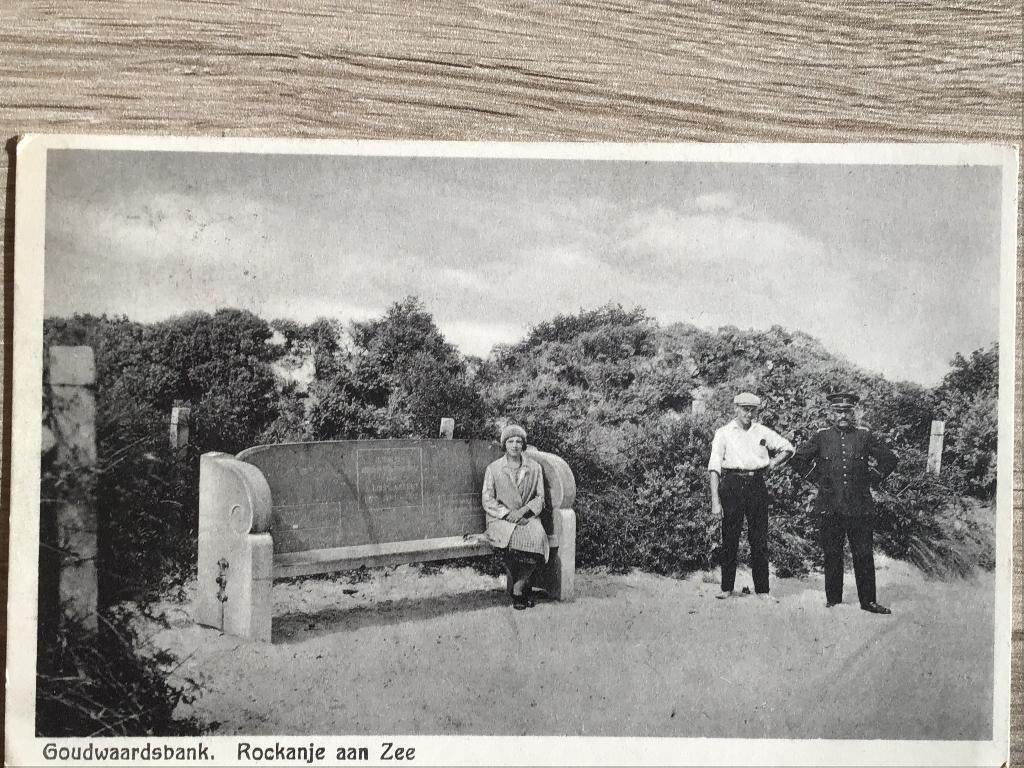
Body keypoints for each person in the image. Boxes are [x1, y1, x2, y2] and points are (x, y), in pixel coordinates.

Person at [790, 391, 898, 614]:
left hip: (860, 507)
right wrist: (817, 479)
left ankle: (868, 601)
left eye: (847, 411)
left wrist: (873, 477)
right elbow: (798, 459)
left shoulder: (864, 436)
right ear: (832, 413)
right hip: (830, 506)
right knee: (832, 553)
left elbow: (890, 458)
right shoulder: (822, 437)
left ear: (853, 412)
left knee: (863, 554)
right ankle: (834, 599)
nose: (843, 416)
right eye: (838, 411)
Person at [708, 392, 795, 600]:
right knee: (730, 538)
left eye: (752, 410)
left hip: (757, 485)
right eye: (744, 409)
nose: (748, 413)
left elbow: (788, 448)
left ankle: (763, 590)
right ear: (736, 409)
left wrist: (772, 463)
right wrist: (715, 500)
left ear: (756, 411)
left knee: (759, 539)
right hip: (732, 485)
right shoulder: (723, 433)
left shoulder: (762, 431)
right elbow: (714, 467)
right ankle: (726, 587)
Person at [482, 424, 549, 610]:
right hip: (501, 519)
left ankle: (518, 587)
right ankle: (523, 588)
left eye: (519, 441)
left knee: (538, 539)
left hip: (526, 517)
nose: (515, 445)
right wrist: (508, 513)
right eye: (510, 441)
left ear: (524, 445)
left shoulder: (534, 468)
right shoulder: (494, 469)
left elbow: (540, 498)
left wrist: (523, 512)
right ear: (505, 445)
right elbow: (487, 500)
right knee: (507, 543)